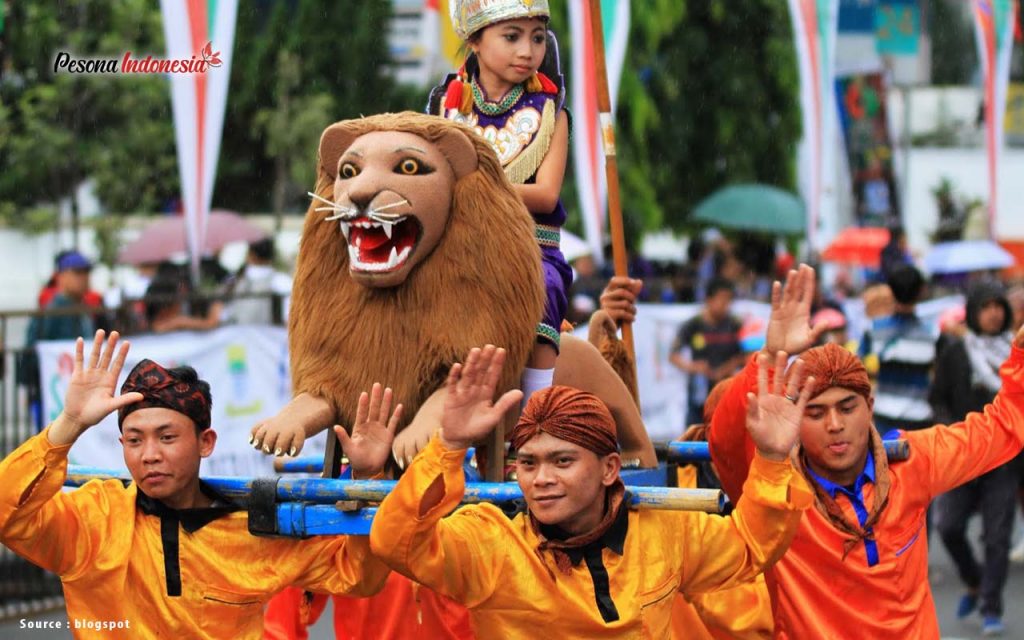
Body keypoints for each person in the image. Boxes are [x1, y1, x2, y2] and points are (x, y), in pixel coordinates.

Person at [368, 344, 812, 638]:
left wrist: (772, 456)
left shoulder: (665, 533)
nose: (541, 479)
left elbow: (751, 546)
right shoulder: (491, 544)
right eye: (528, 463)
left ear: (609, 469)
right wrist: (448, 447)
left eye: (562, 461)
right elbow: (394, 542)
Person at [0, 330, 391, 638]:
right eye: (134, 440)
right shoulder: (93, 519)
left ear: (206, 442)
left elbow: (356, 575)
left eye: (167, 438)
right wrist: (69, 425)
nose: (149, 454)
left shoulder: (254, 529)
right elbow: (6, 516)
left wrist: (365, 480)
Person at [707, 265, 1024, 638]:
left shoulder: (911, 460)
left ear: (869, 406)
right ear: (794, 418)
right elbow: (724, 446)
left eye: (846, 407)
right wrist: (772, 353)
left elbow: (1002, 427)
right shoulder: (776, 493)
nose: (834, 425)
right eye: (815, 412)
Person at [428, 0, 572, 405]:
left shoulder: (551, 112)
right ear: (474, 39)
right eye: (512, 37)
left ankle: (533, 413)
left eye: (538, 38)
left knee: (543, 287)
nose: (528, 51)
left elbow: (545, 196)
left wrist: (473, 188)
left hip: (528, 249)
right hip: (455, 246)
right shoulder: (444, 106)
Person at [932, 283, 1018, 635]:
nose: (994, 312)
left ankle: (990, 606)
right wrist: (952, 432)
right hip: (964, 456)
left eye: (999, 305)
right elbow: (937, 399)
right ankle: (974, 581)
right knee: (948, 526)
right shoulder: (956, 353)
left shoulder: (1017, 352)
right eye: (986, 306)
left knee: (997, 537)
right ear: (972, 311)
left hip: (1007, 460)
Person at [21, 250, 99, 429]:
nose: (84, 278)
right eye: (78, 272)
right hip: (54, 394)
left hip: (80, 392)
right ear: (61, 277)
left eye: (87, 272)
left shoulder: (87, 308)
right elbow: (31, 354)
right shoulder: (51, 311)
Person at [859, 263, 935, 433]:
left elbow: (856, 365)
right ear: (921, 291)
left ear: (891, 291)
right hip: (920, 417)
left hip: (884, 416)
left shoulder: (874, 329)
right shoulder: (933, 333)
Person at [669, 277, 744, 428]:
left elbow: (747, 354)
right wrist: (693, 367)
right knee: (695, 435)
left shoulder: (736, 324)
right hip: (699, 394)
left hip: (726, 392)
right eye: (722, 300)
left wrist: (726, 369)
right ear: (709, 300)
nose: (726, 305)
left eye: (729, 300)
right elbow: (673, 356)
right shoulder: (693, 325)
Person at [225, 238, 293, 326]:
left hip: (237, 335)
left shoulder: (234, 280)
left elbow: (225, 313)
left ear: (250, 255)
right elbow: (288, 317)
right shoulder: (282, 281)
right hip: (270, 336)